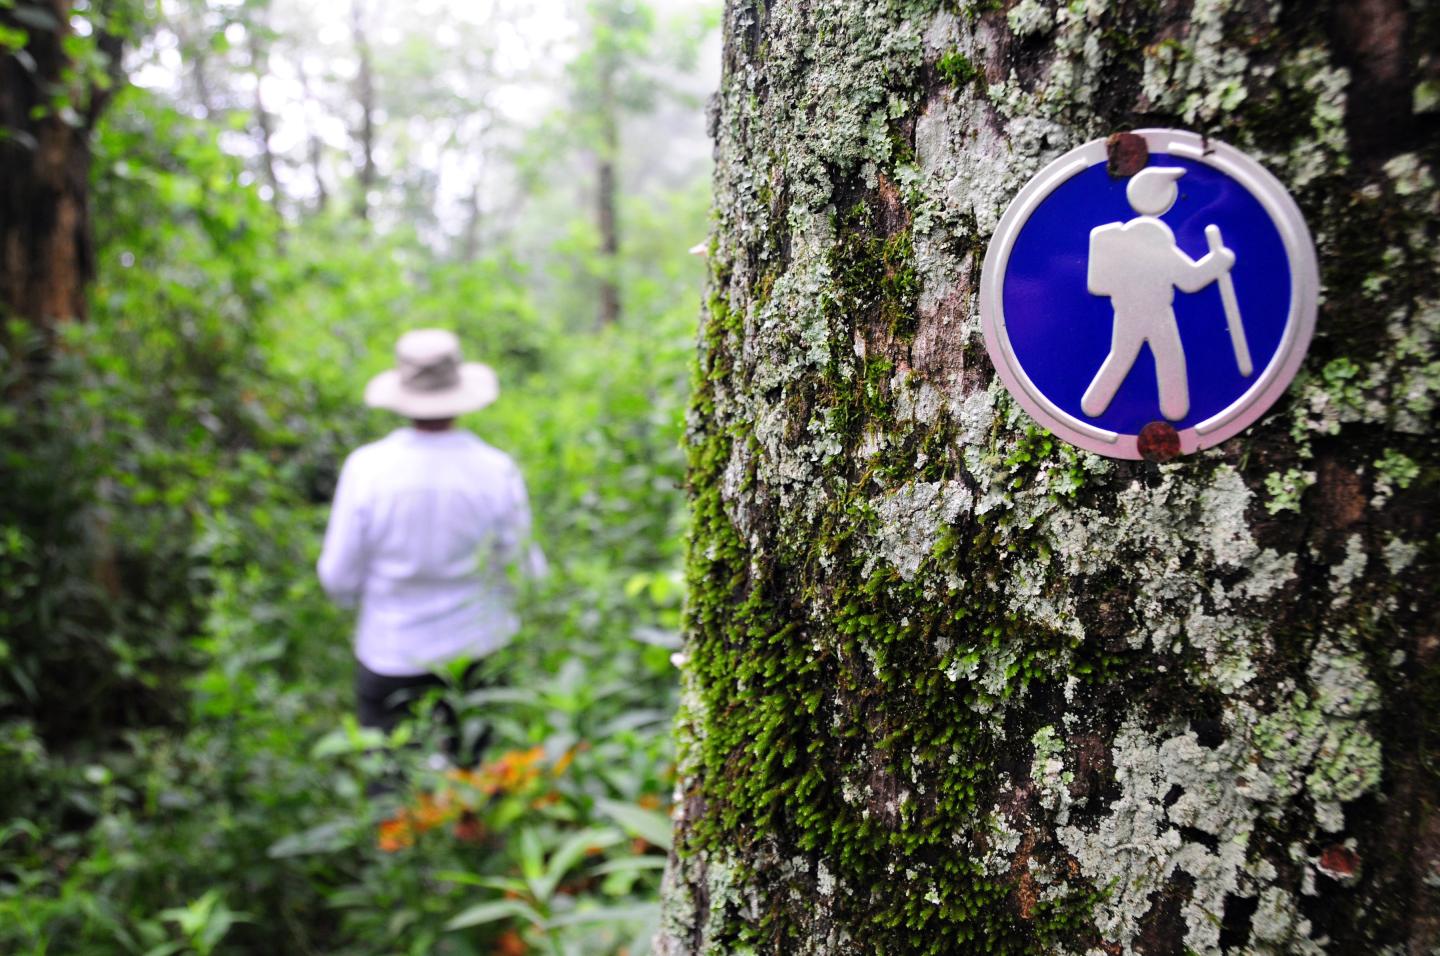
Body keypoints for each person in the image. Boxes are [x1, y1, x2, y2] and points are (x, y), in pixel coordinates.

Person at [317, 328, 544, 767]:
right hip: (479, 652)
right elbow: (526, 571)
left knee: (391, 788)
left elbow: (337, 576)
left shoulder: (367, 469)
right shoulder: (496, 470)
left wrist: (370, 601)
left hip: (390, 651)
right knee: (477, 783)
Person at [1083, 166, 1236, 422]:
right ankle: (1176, 411)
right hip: (1156, 312)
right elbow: (1190, 280)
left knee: (1122, 356)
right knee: (1168, 356)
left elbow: (1099, 285)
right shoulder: (1157, 242)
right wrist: (1217, 262)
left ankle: (1092, 405)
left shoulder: (1114, 243)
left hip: (1126, 311)